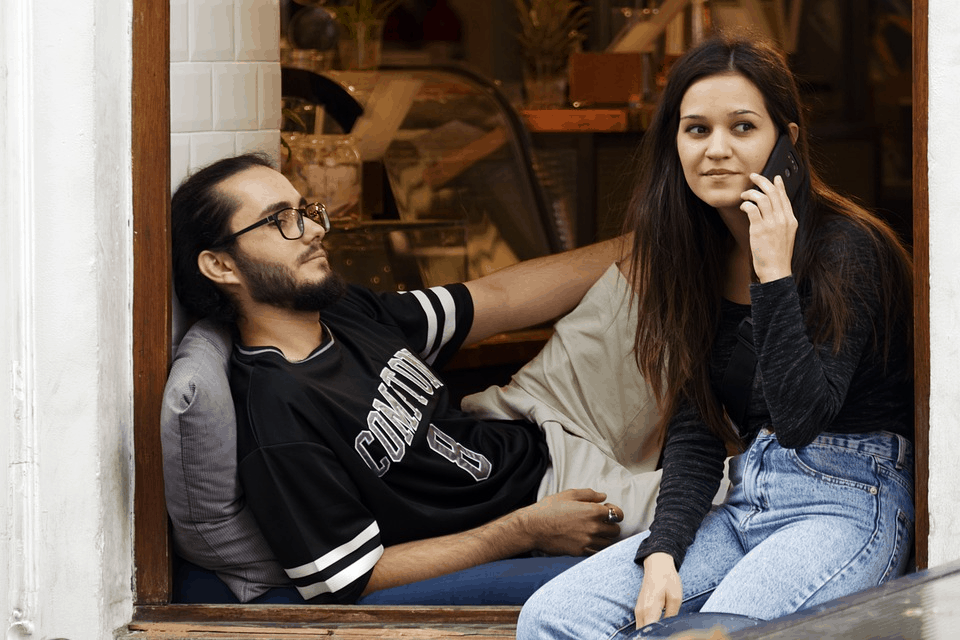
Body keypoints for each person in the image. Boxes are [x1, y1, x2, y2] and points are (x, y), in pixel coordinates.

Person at [517, 33, 914, 639]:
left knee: (721, 631)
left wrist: (774, 272)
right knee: (555, 616)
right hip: (748, 494)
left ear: (788, 141)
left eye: (743, 128)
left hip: (847, 500)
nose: (717, 150)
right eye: (696, 130)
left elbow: (801, 417)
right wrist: (663, 550)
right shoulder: (696, 258)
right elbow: (698, 427)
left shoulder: (847, 248)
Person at [169, 152, 670, 605]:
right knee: (736, 495)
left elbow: (497, 296)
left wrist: (643, 243)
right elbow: (351, 578)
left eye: (305, 212)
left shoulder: (339, 309)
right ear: (220, 265)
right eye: (281, 220)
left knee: (671, 266)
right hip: (545, 496)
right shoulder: (278, 415)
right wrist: (523, 531)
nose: (314, 229)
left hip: (525, 416)